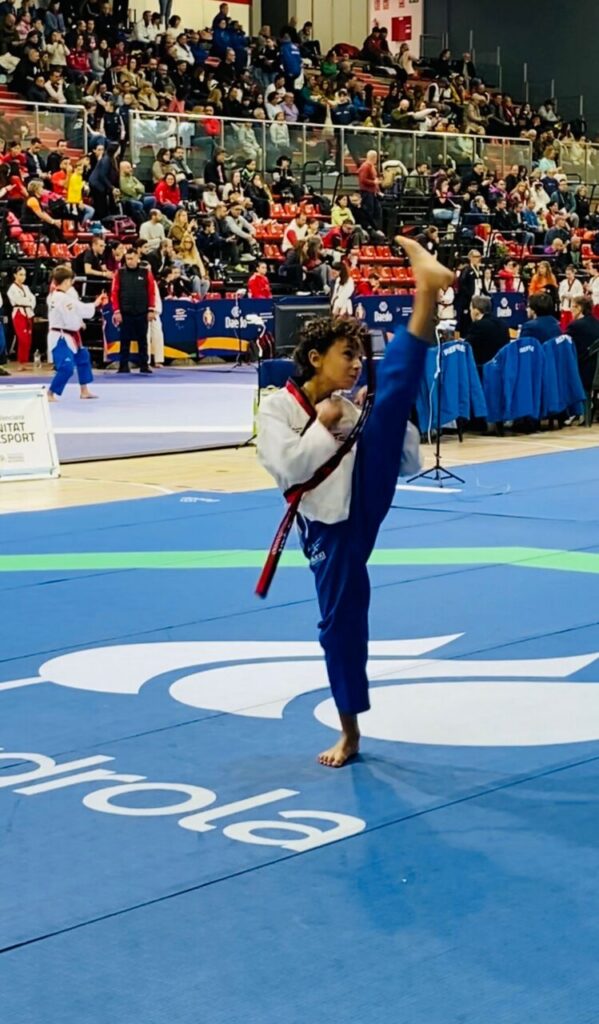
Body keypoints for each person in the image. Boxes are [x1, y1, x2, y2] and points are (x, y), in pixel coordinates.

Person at [256, 237, 453, 767]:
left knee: (389, 403)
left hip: (365, 495)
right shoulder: (277, 409)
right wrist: (325, 426)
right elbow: (290, 469)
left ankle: (426, 292)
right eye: (349, 356)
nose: (357, 366)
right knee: (340, 625)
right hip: (328, 526)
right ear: (316, 357)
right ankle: (350, 731)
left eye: (362, 357)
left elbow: (406, 462)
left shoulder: (349, 401)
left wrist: (379, 424)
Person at [46, 267, 103, 401]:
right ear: (66, 281)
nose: (72, 283)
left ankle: (84, 390)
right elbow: (72, 313)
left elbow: (78, 307)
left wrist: (94, 304)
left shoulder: (64, 296)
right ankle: (50, 392)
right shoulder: (59, 297)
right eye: (71, 281)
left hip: (71, 335)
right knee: (66, 367)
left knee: (83, 358)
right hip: (60, 336)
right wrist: (79, 320)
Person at [110, 247, 158, 374]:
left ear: (137, 258)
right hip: (125, 312)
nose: (129, 261)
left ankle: (144, 365)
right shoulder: (119, 273)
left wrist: (151, 309)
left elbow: (151, 292)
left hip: (142, 311)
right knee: (124, 340)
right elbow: (114, 293)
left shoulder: (146, 272)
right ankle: (123, 366)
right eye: (127, 259)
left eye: (132, 259)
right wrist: (116, 311)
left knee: (143, 340)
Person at [465, 295, 510, 373]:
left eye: (470, 310)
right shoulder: (503, 324)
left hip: (484, 371)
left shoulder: (478, 325)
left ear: (476, 311)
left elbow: (466, 347)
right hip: (502, 369)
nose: (470, 313)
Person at [7, 266, 36, 368]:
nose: (23, 277)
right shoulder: (12, 289)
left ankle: (25, 361)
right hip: (18, 313)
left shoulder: (26, 288)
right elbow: (18, 300)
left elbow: (33, 300)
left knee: (28, 338)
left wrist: (27, 301)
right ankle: (21, 362)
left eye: (24, 274)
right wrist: (27, 300)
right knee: (22, 338)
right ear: (15, 275)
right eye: (20, 274)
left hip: (28, 313)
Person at [357, 149, 381, 231]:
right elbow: (362, 180)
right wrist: (373, 182)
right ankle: (368, 229)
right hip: (367, 193)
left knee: (376, 211)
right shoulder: (366, 166)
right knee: (368, 211)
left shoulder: (371, 166)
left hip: (372, 193)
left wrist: (378, 190)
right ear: (374, 157)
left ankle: (375, 229)